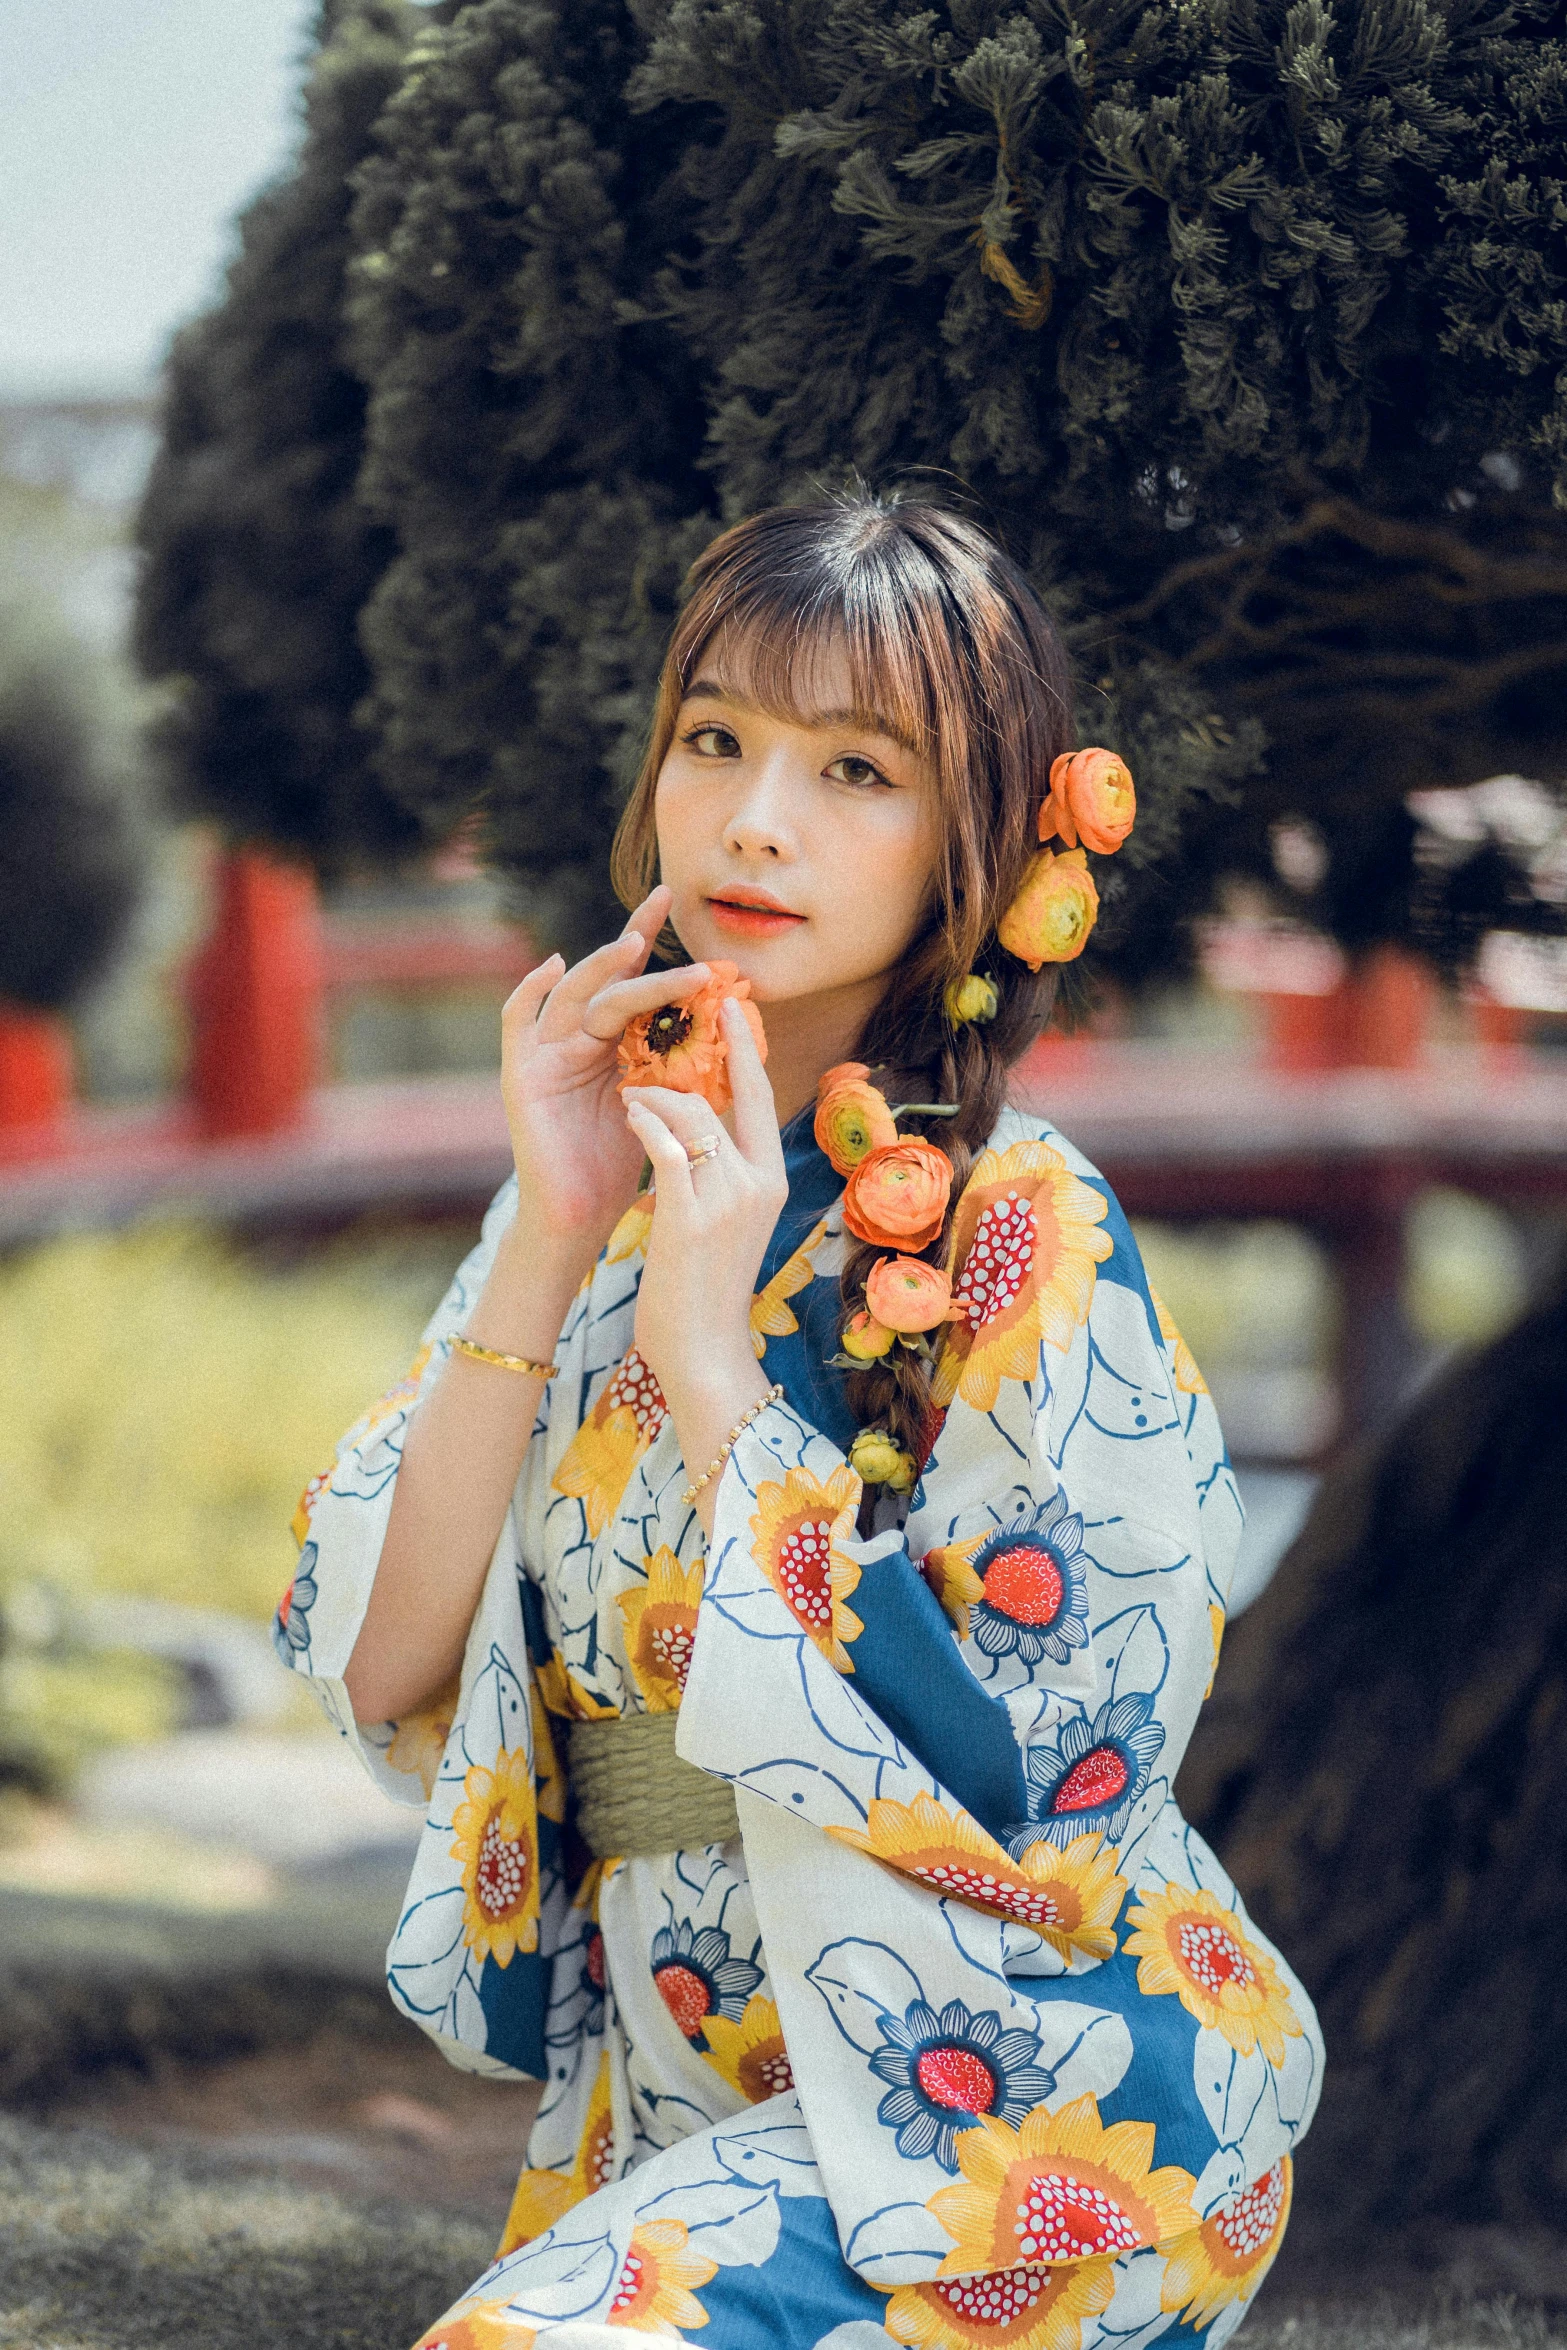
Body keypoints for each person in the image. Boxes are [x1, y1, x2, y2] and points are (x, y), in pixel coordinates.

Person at [278, 493, 1322, 2350]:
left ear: (974, 844)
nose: (757, 815)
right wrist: (544, 1225)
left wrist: (712, 1360)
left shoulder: (1022, 1225)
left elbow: (1033, 1775)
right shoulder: (607, 1214)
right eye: (716, 739)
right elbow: (383, 1664)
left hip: (1030, 2112)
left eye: (857, 766)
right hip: (698, 2120)